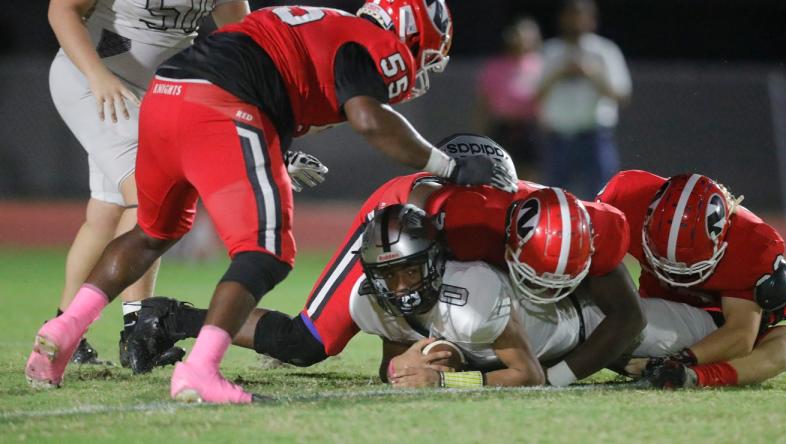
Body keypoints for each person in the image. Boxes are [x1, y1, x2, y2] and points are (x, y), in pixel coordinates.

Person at [26, 1, 516, 404]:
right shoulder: (370, 43)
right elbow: (369, 118)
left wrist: (278, 147)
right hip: (221, 104)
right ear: (412, 33)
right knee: (267, 251)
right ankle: (200, 370)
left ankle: (63, 333)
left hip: (168, 90)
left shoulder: (325, 23)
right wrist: (445, 166)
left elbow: (267, 70)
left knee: (153, 230)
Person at [125, 135, 645, 387]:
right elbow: (412, 213)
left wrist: (560, 377)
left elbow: (627, 315)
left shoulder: (582, 229)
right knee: (307, 344)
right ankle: (169, 317)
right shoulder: (455, 220)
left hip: (448, 242)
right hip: (397, 231)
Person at [46, 0, 250, 365]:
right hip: (92, 80)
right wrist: (97, 75)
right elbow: (62, 10)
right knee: (151, 201)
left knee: (107, 214)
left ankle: (68, 332)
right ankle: (137, 330)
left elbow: (244, 42)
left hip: (157, 93)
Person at [356, 203, 706, 388]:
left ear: (434, 260)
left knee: (711, 331)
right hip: (546, 335)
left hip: (589, 322)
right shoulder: (368, 301)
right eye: (387, 274)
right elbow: (398, 364)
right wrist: (399, 370)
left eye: (411, 271)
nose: (400, 286)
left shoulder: (471, 297)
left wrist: (448, 381)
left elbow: (530, 376)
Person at [597, 171, 786, 388]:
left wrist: (684, 362)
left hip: (710, 316)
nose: (674, 274)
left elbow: (740, 336)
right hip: (675, 310)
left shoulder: (748, 242)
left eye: (686, 267)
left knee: (778, 299)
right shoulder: (624, 200)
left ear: (722, 237)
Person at [536, 0, 631, 199]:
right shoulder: (550, 51)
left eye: (581, 15)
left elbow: (622, 94)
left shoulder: (605, 50)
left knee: (601, 197)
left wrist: (591, 74)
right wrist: (559, 73)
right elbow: (535, 94)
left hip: (595, 137)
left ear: (592, 20)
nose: (575, 21)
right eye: (571, 15)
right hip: (558, 138)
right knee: (553, 200)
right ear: (562, 19)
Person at [475, 17, 543, 180]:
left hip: (528, 129)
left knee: (529, 175)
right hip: (503, 128)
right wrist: (479, 133)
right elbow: (483, 103)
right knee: (500, 173)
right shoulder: (495, 66)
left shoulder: (539, 65)